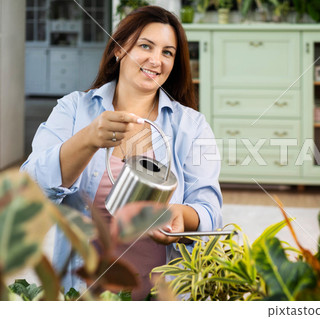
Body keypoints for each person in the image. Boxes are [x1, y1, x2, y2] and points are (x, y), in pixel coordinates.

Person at [21, 6, 222, 300]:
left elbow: (209, 210)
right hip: (84, 295)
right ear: (118, 50)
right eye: (145, 46)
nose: (156, 60)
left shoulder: (191, 125)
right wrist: (88, 139)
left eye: (168, 52)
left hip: (163, 297)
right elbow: (32, 189)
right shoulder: (74, 110)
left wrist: (181, 217)